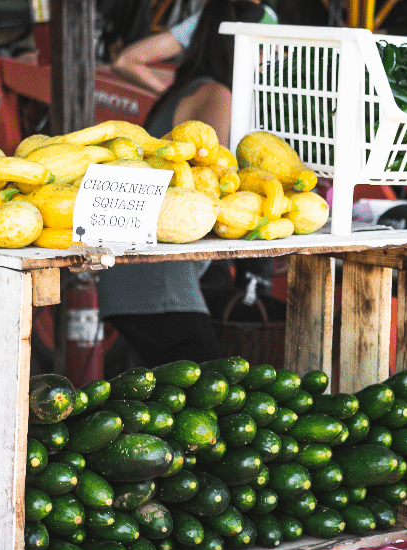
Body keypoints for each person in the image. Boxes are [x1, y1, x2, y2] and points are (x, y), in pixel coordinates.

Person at [97, 0, 277, 367]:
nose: (266, 63)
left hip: (137, 277)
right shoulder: (217, 96)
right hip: (157, 285)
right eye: (263, 50)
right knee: (212, 390)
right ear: (238, 47)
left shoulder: (191, 88)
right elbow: (218, 185)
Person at [111, 1, 278, 96]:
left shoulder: (268, 18)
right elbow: (125, 61)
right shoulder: (207, 18)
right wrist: (174, 97)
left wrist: (172, 97)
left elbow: (125, 61)